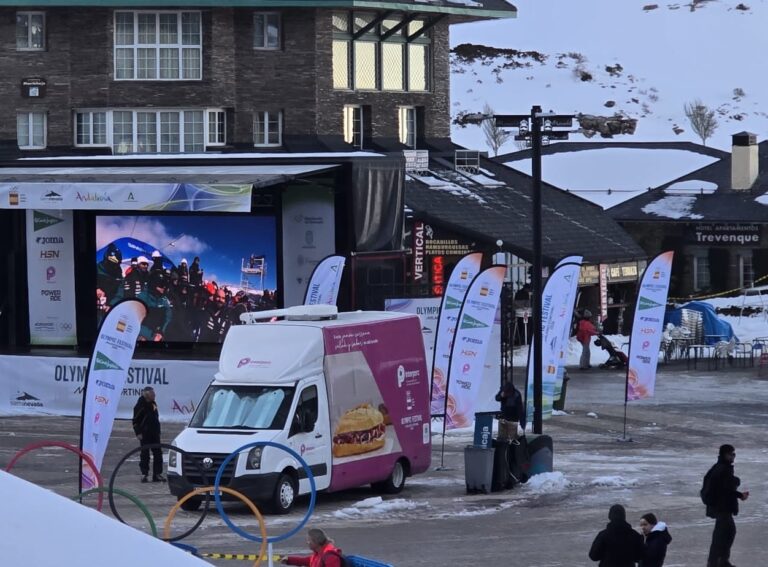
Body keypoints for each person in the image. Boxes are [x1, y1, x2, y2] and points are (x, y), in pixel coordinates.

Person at [703, 444, 749, 567]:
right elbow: (725, 489)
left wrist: (735, 482)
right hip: (722, 508)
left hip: (720, 508)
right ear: (724, 455)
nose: (733, 456)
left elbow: (724, 486)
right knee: (725, 534)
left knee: (725, 533)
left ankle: (719, 561)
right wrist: (740, 494)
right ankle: (718, 562)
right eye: (731, 454)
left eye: (734, 454)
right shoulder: (723, 469)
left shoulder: (719, 467)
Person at [132, 386, 165, 483]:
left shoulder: (153, 404)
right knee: (145, 454)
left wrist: (158, 430)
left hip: (154, 433)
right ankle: (144, 474)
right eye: (152, 394)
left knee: (158, 453)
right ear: (147, 395)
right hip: (144, 434)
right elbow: (135, 421)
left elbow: (156, 417)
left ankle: (157, 474)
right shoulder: (140, 406)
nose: (154, 395)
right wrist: (138, 432)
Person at [136, 271, 173, 342]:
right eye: (161, 285)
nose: (164, 287)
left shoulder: (164, 300)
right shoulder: (142, 297)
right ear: (153, 284)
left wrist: (161, 332)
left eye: (165, 285)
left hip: (157, 335)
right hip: (143, 335)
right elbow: (135, 321)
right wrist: (150, 335)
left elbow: (168, 317)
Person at [495, 376, 523, 443]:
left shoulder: (516, 394)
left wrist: (520, 418)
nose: (508, 394)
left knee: (512, 435)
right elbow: (497, 398)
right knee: (502, 434)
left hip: (513, 414)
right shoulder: (503, 392)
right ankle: (502, 443)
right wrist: (501, 396)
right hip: (505, 413)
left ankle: (512, 442)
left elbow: (520, 407)